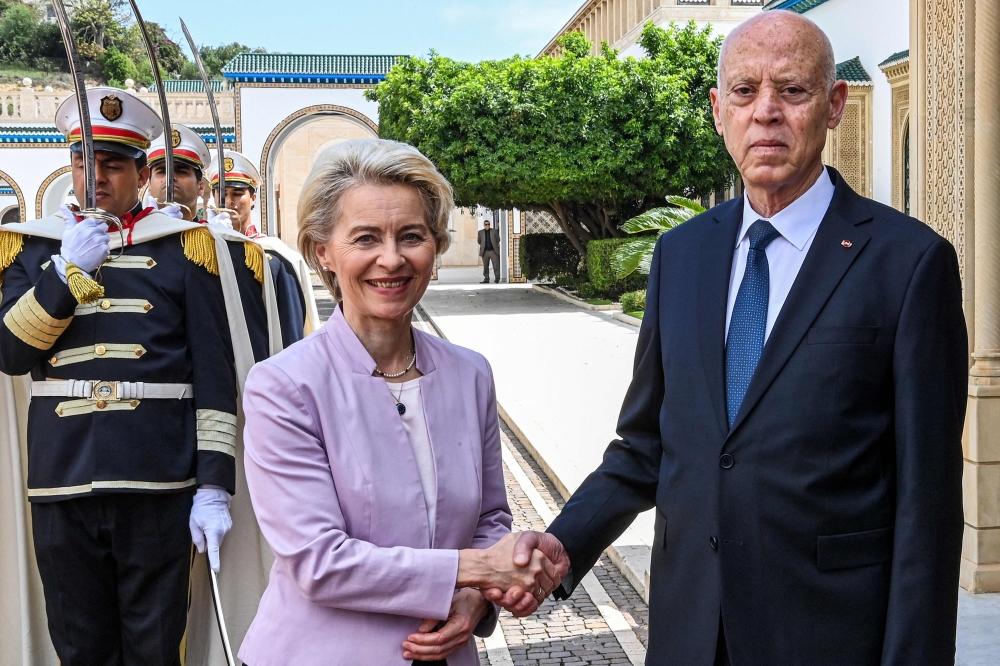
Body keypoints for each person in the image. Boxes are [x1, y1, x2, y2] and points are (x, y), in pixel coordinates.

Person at [493, 11, 968, 666]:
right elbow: (646, 445)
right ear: (719, 111)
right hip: (690, 632)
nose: (765, 112)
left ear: (833, 106)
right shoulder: (681, 254)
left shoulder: (910, 264)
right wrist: (564, 543)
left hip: (829, 639)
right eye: (745, 92)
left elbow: (930, 509)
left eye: (793, 90)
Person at [238, 139, 558, 666]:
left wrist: (474, 599)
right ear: (323, 250)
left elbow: (491, 518)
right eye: (365, 237)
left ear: (434, 245)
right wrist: (480, 570)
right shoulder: (284, 386)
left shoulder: (470, 373)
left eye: (411, 236)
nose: (392, 258)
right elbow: (321, 563)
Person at [0, 86, 239, 664]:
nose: (95, 178)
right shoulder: (32, 252)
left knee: (155, 649)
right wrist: (65, 274)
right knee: (80, 648)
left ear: (141, 172)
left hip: (157, 479)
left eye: (111, 165)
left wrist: (213, 484)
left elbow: (214, 374)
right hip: (63, 480)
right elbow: (10, 354)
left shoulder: (186, 250)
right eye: (83, 161)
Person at [148, 124, 271, 362]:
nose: (171, 178)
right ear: (147, 180)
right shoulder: (124, 242)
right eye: (162, 171)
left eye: (181, 171)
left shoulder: (235, 249)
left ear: (200, 186)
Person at [206, 150, 321, 346]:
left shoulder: (275, 254)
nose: (229, 201)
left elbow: (291, 326)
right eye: (222, 193)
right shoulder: (203, 249)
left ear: (253, 198)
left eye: (237, 193)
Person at [477, 219, 500, 283]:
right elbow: (479, 241)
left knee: (496, 265)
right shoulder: (480, 232)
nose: (487, 225)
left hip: (493, 251)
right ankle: (486, 278)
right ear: (484, 225)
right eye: (486, 224)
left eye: (488, 224)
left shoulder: (494, 231)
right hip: (485, 251)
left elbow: (498, 239)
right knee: (485, 266)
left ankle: (497, 278)